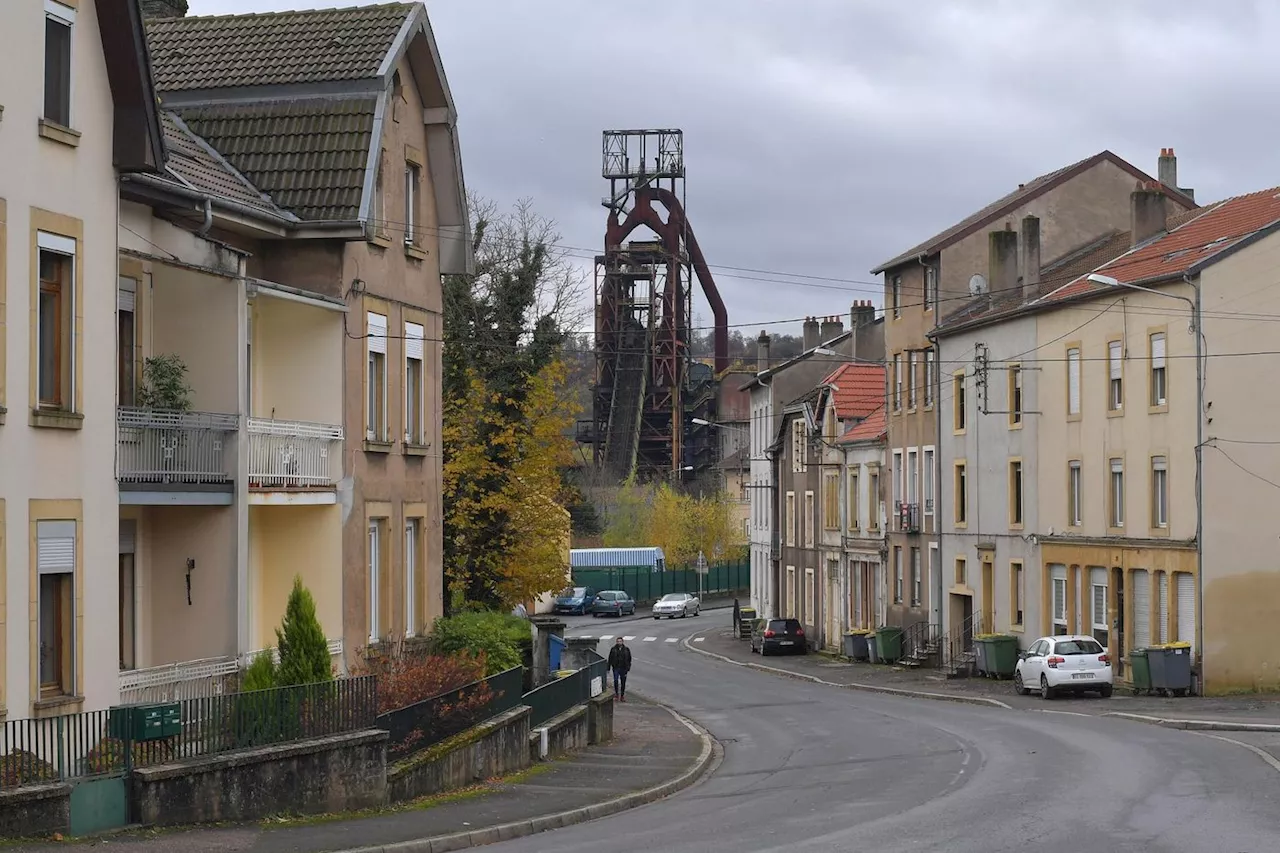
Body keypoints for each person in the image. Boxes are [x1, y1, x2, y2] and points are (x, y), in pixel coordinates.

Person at [607, 636, 632, 702]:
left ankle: (622, 696)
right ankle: (616, 694)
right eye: (618, 641)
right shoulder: (613, 649)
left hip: (624, 668)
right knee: (615, 680)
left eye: (620, 641)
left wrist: (628, 667)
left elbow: (629, 659)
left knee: (623, 682)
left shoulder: (626, 649)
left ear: (622, 642)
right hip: (616, 667)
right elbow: (610, 658)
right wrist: (608, 667)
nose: (619, 643)